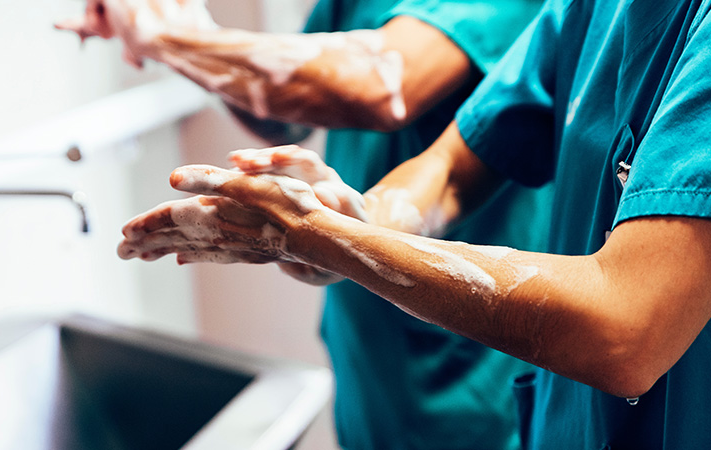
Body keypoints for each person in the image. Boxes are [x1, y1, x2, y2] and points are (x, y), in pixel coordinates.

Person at [118, 0, 711, 448]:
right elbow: (452, 167)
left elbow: (624, 333)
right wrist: (356, 217)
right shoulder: (593, 9)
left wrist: (327, 238)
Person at [58, 1, 548, 448]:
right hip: (366, 344)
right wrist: (191, 34)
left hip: (462, 368)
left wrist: (165, 35)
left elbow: (378, 82)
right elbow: (284, 116)